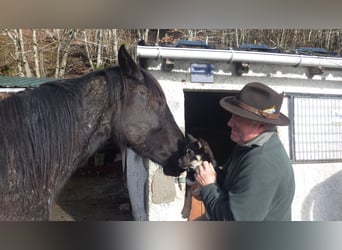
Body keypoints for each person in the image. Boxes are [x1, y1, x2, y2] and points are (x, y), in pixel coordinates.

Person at [192, 82, 295, 221]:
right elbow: (234, 180)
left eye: (238, 119)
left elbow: (233, 220)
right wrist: (208, 185)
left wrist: (209, 187)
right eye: (233, 116)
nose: (230, 123)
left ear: (261, 125)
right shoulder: (247, 146)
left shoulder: (262, 164)